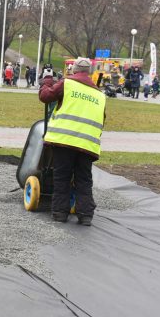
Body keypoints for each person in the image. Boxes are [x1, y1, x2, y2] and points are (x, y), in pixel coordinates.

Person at [39, 57, 107, 226]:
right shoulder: (100, 94)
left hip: (65, 140)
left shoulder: (67, 83)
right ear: (89, 72)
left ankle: (60, 213)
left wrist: (47, 82)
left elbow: (46, 97)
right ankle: (85, 215)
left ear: (74, 70)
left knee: (62, 176)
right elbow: (102, 119)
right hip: (88, 144)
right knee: (84, 179)